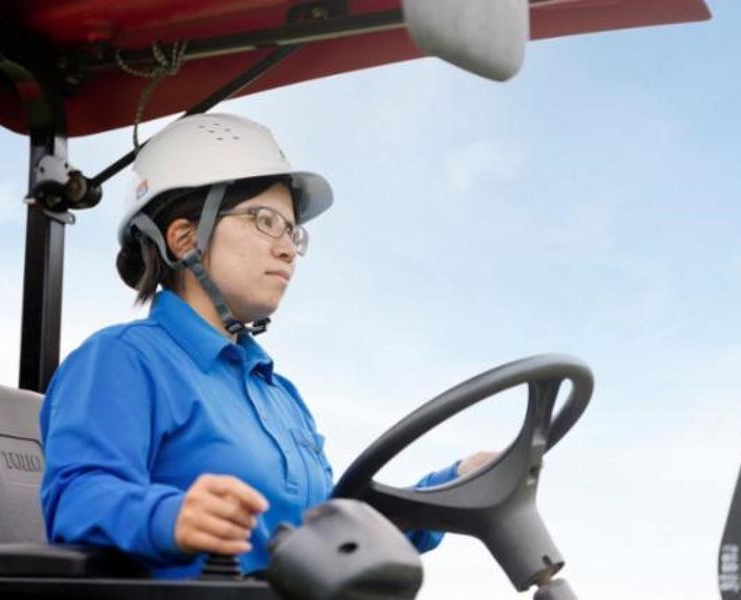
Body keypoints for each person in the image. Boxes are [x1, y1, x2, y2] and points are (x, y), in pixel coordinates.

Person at [40, 113, 492, 579]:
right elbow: (77, 499)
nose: (288, 249)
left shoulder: (279, 393)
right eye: (264, 221)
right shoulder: (122, 360)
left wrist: (447, 486)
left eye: (292, 232)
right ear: (185, 238)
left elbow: (329, 537)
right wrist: (169, 517)